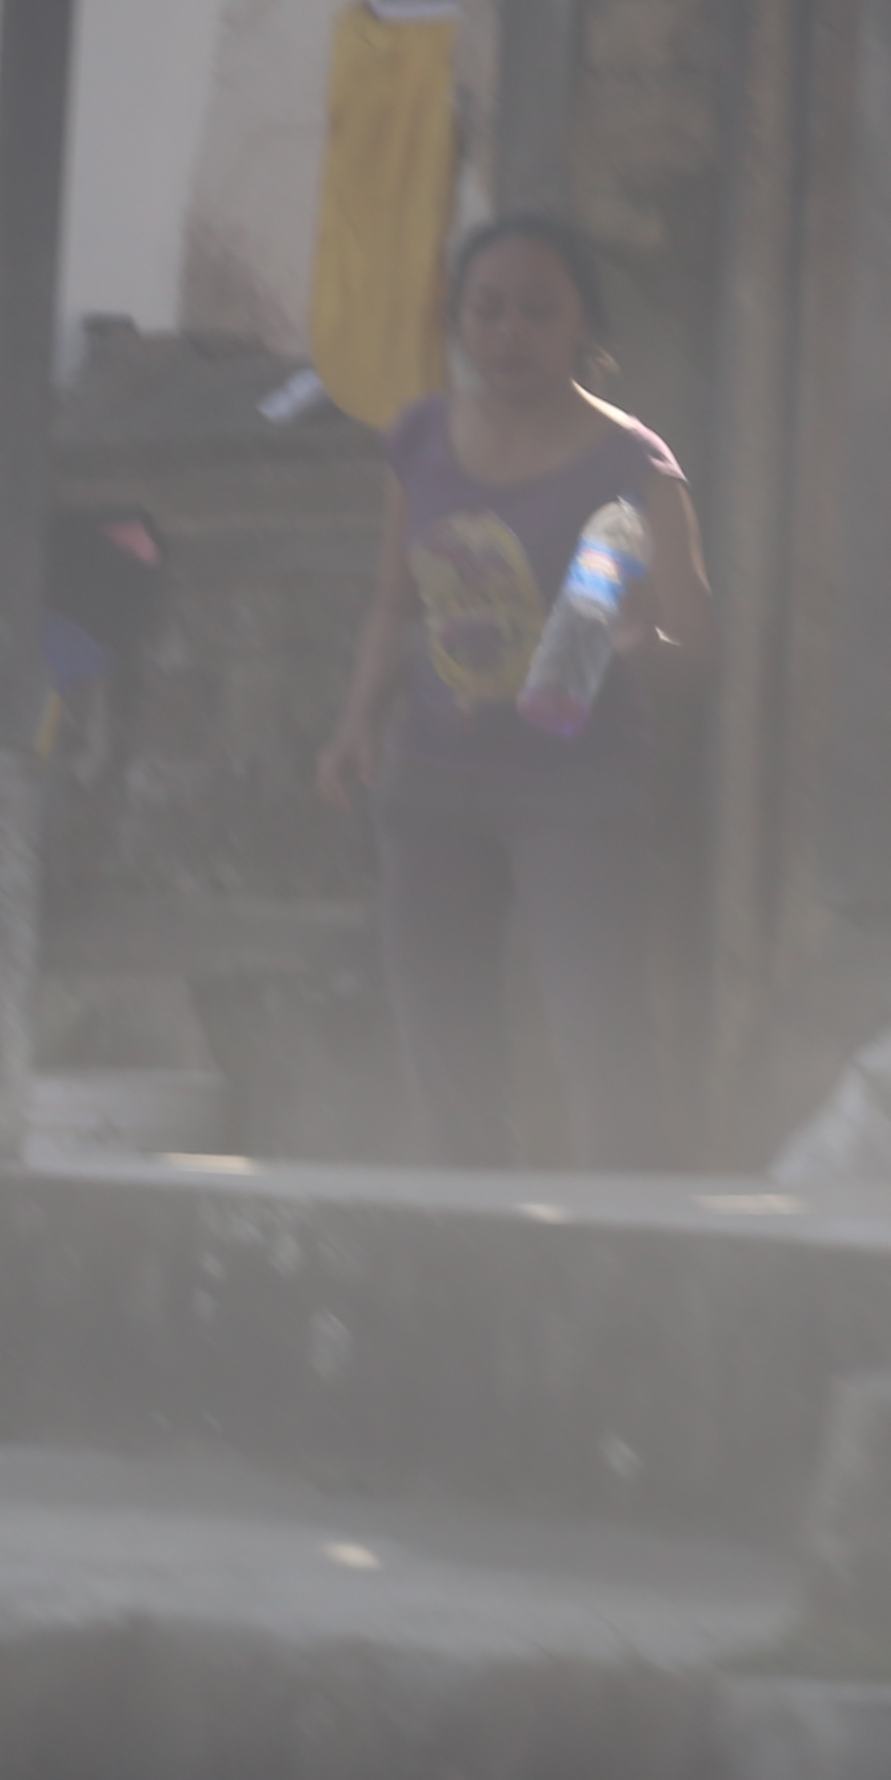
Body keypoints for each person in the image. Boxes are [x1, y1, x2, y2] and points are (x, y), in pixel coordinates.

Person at [314, 214, 716, 1169]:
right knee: (445, 1051)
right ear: (456, 319)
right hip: (431, 783)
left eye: (539, 311)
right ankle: (472, 1258)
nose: (510, 333)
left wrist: (627, 639)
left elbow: (697, 637)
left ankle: (626, 1253)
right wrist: (354, 725)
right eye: (487, 311)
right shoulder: (417, 438)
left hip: (576, 796)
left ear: (583, 324)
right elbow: (393, 604)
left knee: (600, 1037)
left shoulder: (633, 464)